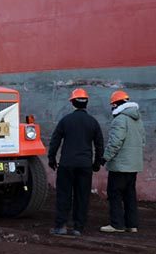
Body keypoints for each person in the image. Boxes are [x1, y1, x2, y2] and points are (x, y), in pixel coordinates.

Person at [47, 88, 104, 236]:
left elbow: (55, 141)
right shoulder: (93, 122)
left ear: (72, 102)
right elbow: (99, 144)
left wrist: (51, 158)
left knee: (63, 195)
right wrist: (97, 163)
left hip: (66, 165)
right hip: (85, 166)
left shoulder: (65, 121)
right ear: (86, 103)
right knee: (82, 196)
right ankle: (78, 227)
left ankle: (61, 226)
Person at [100, 90, 146, 233]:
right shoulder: (137, 119)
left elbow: (115, 142)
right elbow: (143, 140)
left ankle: (116, 224)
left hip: (120, 166)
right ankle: (132, 225)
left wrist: (105, 157)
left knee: (115, 194)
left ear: (115, 104)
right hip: (134, 165)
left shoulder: (120, 119)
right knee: (130, 195)